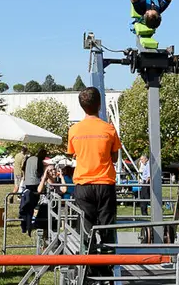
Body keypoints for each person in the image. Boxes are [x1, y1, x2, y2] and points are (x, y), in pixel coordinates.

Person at [67, 87, 121, 253]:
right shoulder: (109, 129)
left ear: (82, 106)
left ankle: (87, 267)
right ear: (99, 105)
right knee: (107, 229)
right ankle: (108, 267)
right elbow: (114, 158)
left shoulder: (74, 130)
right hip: (105, 184)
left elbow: (73, 153)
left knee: (85, 230)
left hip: (83, 185)